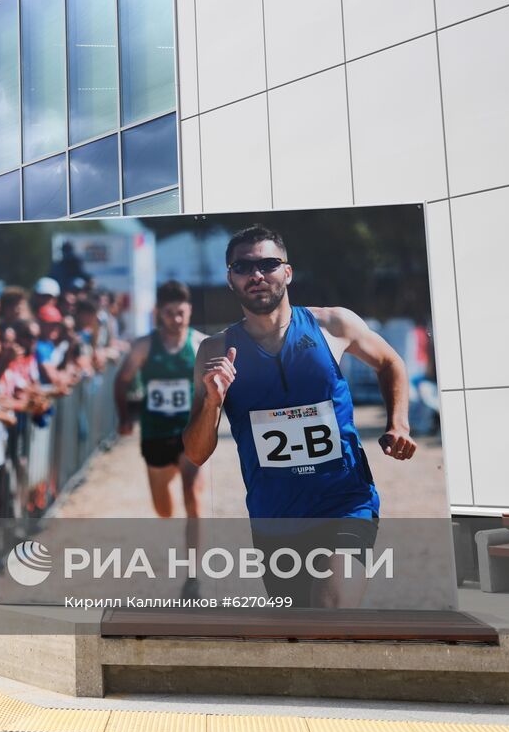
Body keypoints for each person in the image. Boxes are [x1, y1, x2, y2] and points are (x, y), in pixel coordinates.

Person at [183, 224, 417, 608]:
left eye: (268, 264)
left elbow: (390, 361)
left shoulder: (333, 325)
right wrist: (212, 401)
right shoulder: (215, 350)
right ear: (230, 279)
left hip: (344, 503)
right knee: (300, 632)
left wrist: (399, 423)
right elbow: (195, 452)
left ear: (287, 272)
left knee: (331, 610)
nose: (256, 275)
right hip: (275, 517)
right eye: (243, 267)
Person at [115, 281, 208, 519]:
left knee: (193, 496)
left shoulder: (200, 344)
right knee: (163, 510)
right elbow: (122, 380)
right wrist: (124, 418)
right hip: (156, 433)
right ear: (158, 313)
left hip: (190, 431)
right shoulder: (144, 346)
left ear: (189, 311)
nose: (176, 320)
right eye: (169, 313)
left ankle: (194, 557)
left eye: (181, 313)